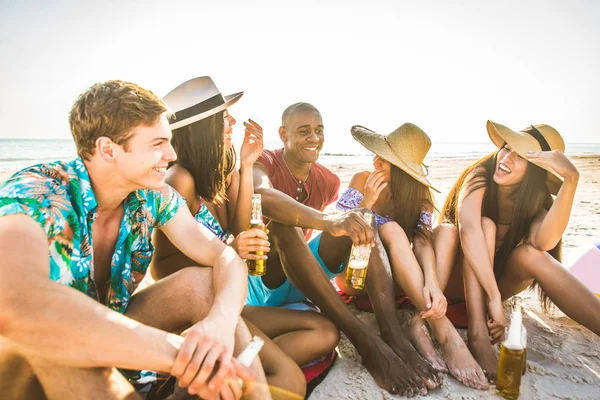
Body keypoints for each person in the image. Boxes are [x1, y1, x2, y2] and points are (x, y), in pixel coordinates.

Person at [0, 80, 270, 400]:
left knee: (204, 284)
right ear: (108, 150)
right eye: (157, 143)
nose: (170, 154)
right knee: (59, 344)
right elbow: (16, 305)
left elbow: (224, 257)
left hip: (115, 338)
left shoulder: (152, 195)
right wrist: (183, 356)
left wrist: (220, 327)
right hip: (27, 364)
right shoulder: (36, 193)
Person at [151, 77, 340, 399]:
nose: (233, 122)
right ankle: (240, 372)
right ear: (203, 127)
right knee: (290, 378)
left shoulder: (225, 173)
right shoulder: (179, 180)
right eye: (225, 117)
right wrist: (225, 250)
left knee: (325, 332)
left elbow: (242, 234)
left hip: (232, 297)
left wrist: (248, 164)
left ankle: (230, 371)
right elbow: (161, 269)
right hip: (204, 305)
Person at [250, 102, 444, 397]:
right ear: (283, 134)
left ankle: (391, 333)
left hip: (304, 280)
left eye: (319, 131)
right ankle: (366, 340)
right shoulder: (265, 161)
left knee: (363, 220)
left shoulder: (328, 181)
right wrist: (330, 221)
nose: (313, 138)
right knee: (284, 226)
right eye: (303, 131)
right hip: (261, 276)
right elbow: (262, 195)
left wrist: (354, 217)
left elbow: (420, 240)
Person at [439, 120, 600, 382]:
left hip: (493, 286)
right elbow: (468, 229)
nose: (506, 158)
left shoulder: (536, 204)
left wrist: (571, 180)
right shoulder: (479, 174)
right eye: (506, 147)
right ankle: (478, 335)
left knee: (531, 254)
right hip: (453, 281)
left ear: (536, 171)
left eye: (521, 156)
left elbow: (544, 244)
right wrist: (493, 297)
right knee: (485, 226)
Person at [334, 123, 489, 389]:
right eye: (378, 155)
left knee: (447, 231)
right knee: (392, 229)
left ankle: (420, 319)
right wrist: (367, 202)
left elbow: (422, 243)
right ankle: (444, 332)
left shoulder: (420, 198)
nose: (376, 161)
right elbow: (336, 233)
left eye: (385, 159)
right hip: (357, 275)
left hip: (396, 282)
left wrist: (431, 282)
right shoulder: (362, 180)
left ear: (403, 170)